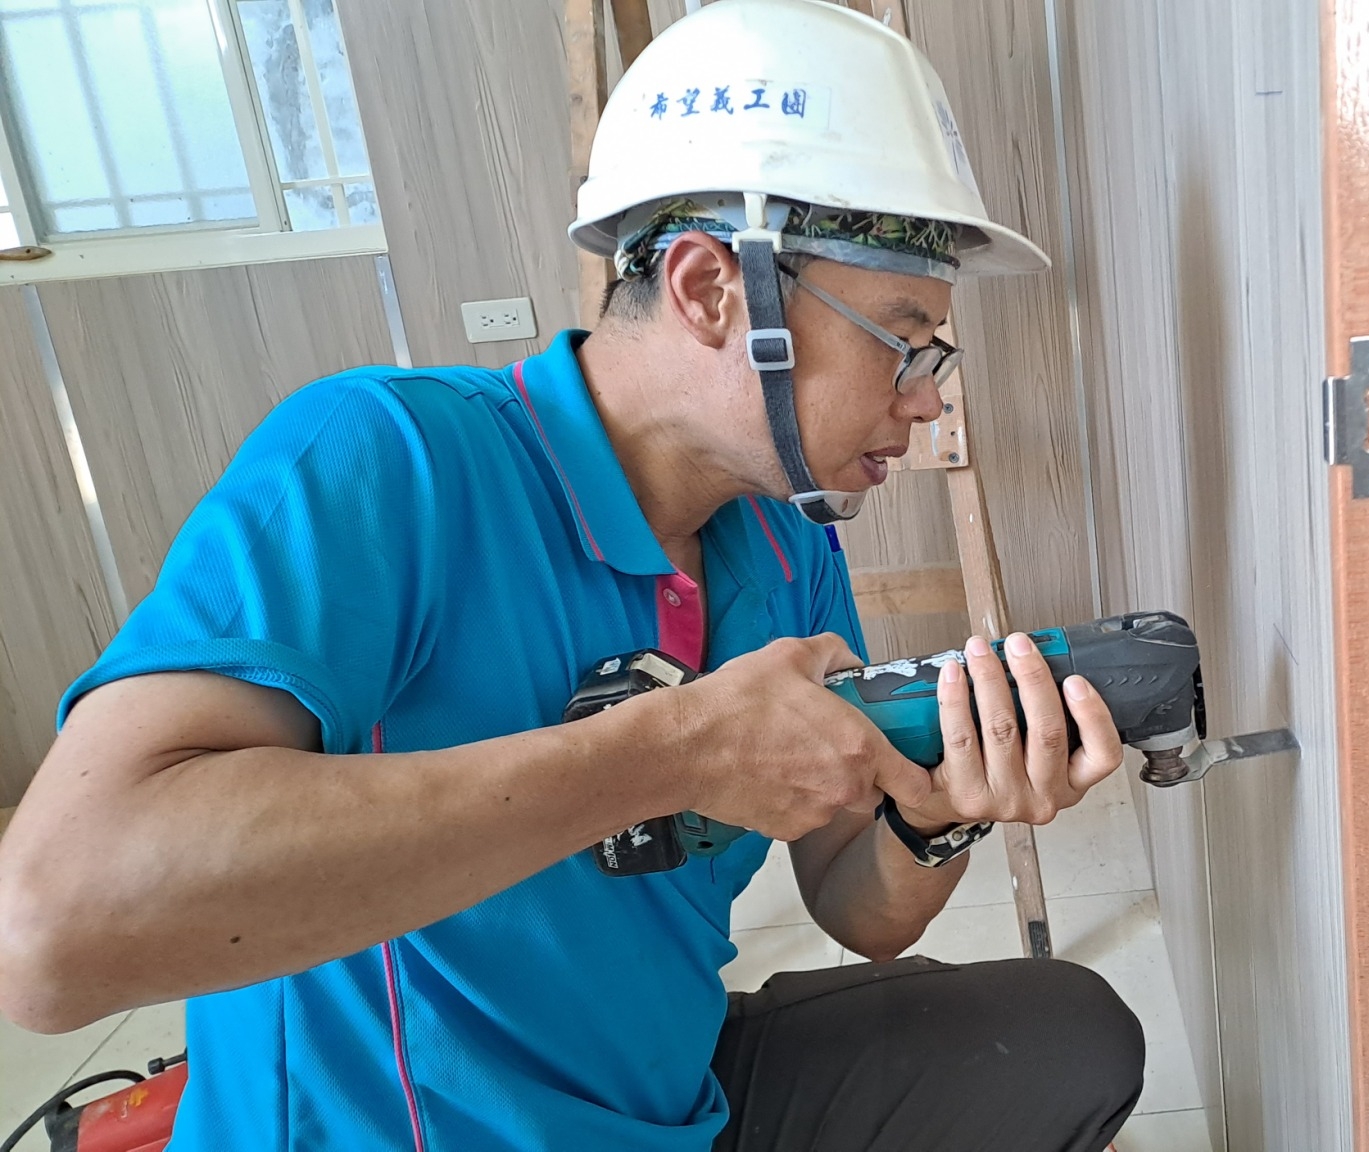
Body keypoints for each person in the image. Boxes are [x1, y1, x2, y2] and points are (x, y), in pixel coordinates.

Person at [0, 2, 1145, 1149]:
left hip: (660, 1102)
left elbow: (856, 909)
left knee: (1065, 1040)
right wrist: (669, 753)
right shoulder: (387, 457)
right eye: (901, 340)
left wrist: (931, 817)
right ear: (710, 291)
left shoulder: (788, 546)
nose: (929, 397)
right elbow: (48, 935)